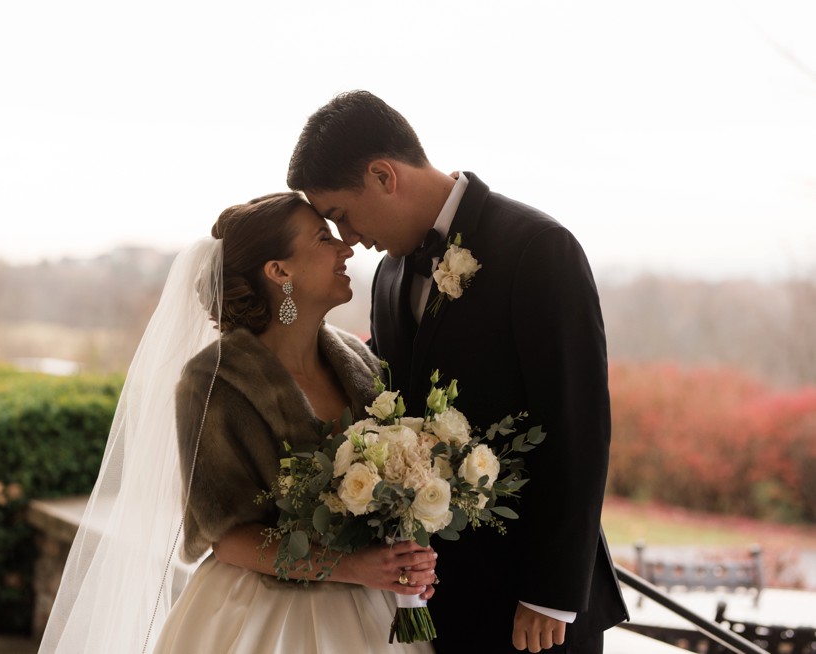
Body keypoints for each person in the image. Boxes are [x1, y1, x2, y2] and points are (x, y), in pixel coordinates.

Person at [287, 91, 629, 653]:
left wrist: (550, 592)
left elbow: (579, 426)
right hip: (438, 592)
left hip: (534, 605)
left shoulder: (539, 248)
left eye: (342, 216)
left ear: (382, 175)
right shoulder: (391, 275)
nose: (348, 239)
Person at [39, 191, 438, 654]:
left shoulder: (360, 361)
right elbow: (228, 538)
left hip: (375, 611)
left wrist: (405, 553)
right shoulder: (213, 381)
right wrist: (352, 567)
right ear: (279, 271)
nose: (345, 247)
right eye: (322, 238)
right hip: (260, 617)